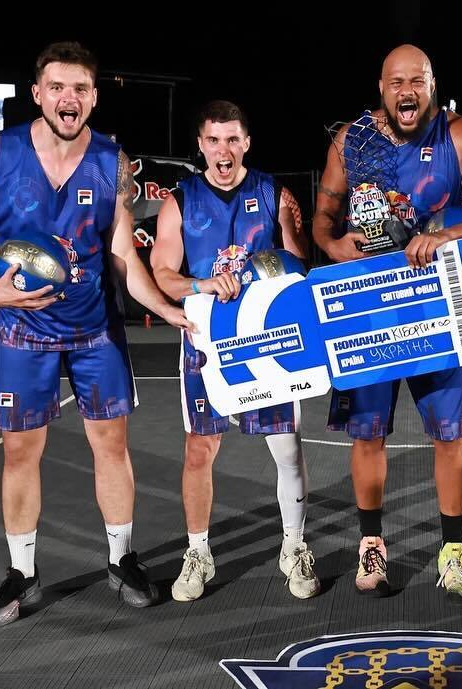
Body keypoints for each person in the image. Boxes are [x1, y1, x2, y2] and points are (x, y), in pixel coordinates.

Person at [0, 41, 191, 627]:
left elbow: (120, 256)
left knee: (111, 446)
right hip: (21, 328)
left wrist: (165, 309)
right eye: (57, 87)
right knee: (20, 451)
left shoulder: (112, 161)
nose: (69, 98)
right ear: (38, 94)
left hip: (93, 330)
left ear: (93, 97)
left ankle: (121, 559)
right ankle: (22, 573)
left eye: (80, 88)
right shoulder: (0, 152)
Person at [312, 44, 462, 606]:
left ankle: (452, 553)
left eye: (418, 80)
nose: (407, 91)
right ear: (381, 87)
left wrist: (450, 235)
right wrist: (333, 246)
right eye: (396, 81)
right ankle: (371, 545)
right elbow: (322, 219)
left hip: (438, 311)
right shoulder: (351, 141)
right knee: (368, 434)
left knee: (450, 435)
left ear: (432, 84)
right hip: (368, 308)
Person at [151, 100, 320, 601]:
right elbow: (162, 273)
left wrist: (264, 271)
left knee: (285, 446)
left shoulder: (274, 194)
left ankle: (293, 545)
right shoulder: (178, 201)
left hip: (265, 342)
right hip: (207, 344)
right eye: (213, 140)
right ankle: (198, 552)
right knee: (200, 448)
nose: (223, 150)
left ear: (246, 143)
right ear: (200, 145)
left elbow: (298, 262)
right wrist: (202, 282)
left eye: (232, 140)